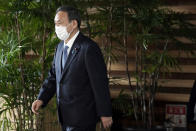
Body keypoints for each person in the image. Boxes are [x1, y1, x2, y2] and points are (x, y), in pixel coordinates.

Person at [31, 6, 113, 131]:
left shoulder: (88, 48)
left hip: (83, 117)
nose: (56, 27)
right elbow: (53, 76)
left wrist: (105, 113)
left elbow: (99, 83)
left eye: (60, 23)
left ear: (74, 23)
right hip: (65, 116)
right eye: (55, 24)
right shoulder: (59, 48)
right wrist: (41, 98)